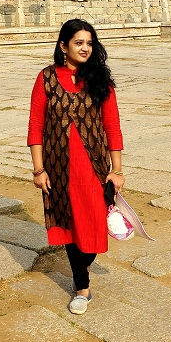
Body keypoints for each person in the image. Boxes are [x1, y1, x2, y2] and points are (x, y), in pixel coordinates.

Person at [27, 18, 125, 315]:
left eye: (89, 43)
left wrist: (116, 169)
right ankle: (82, 288)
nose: (85, 48)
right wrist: (38, 169)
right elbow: (35, 125)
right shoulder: (46, 78)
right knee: (69, 225)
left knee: (94, 224)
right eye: (79, 43)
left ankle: (83, 267)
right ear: (63, 46)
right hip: (58, 166)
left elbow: (112, 126)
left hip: (94, 166)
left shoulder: (99, 80)